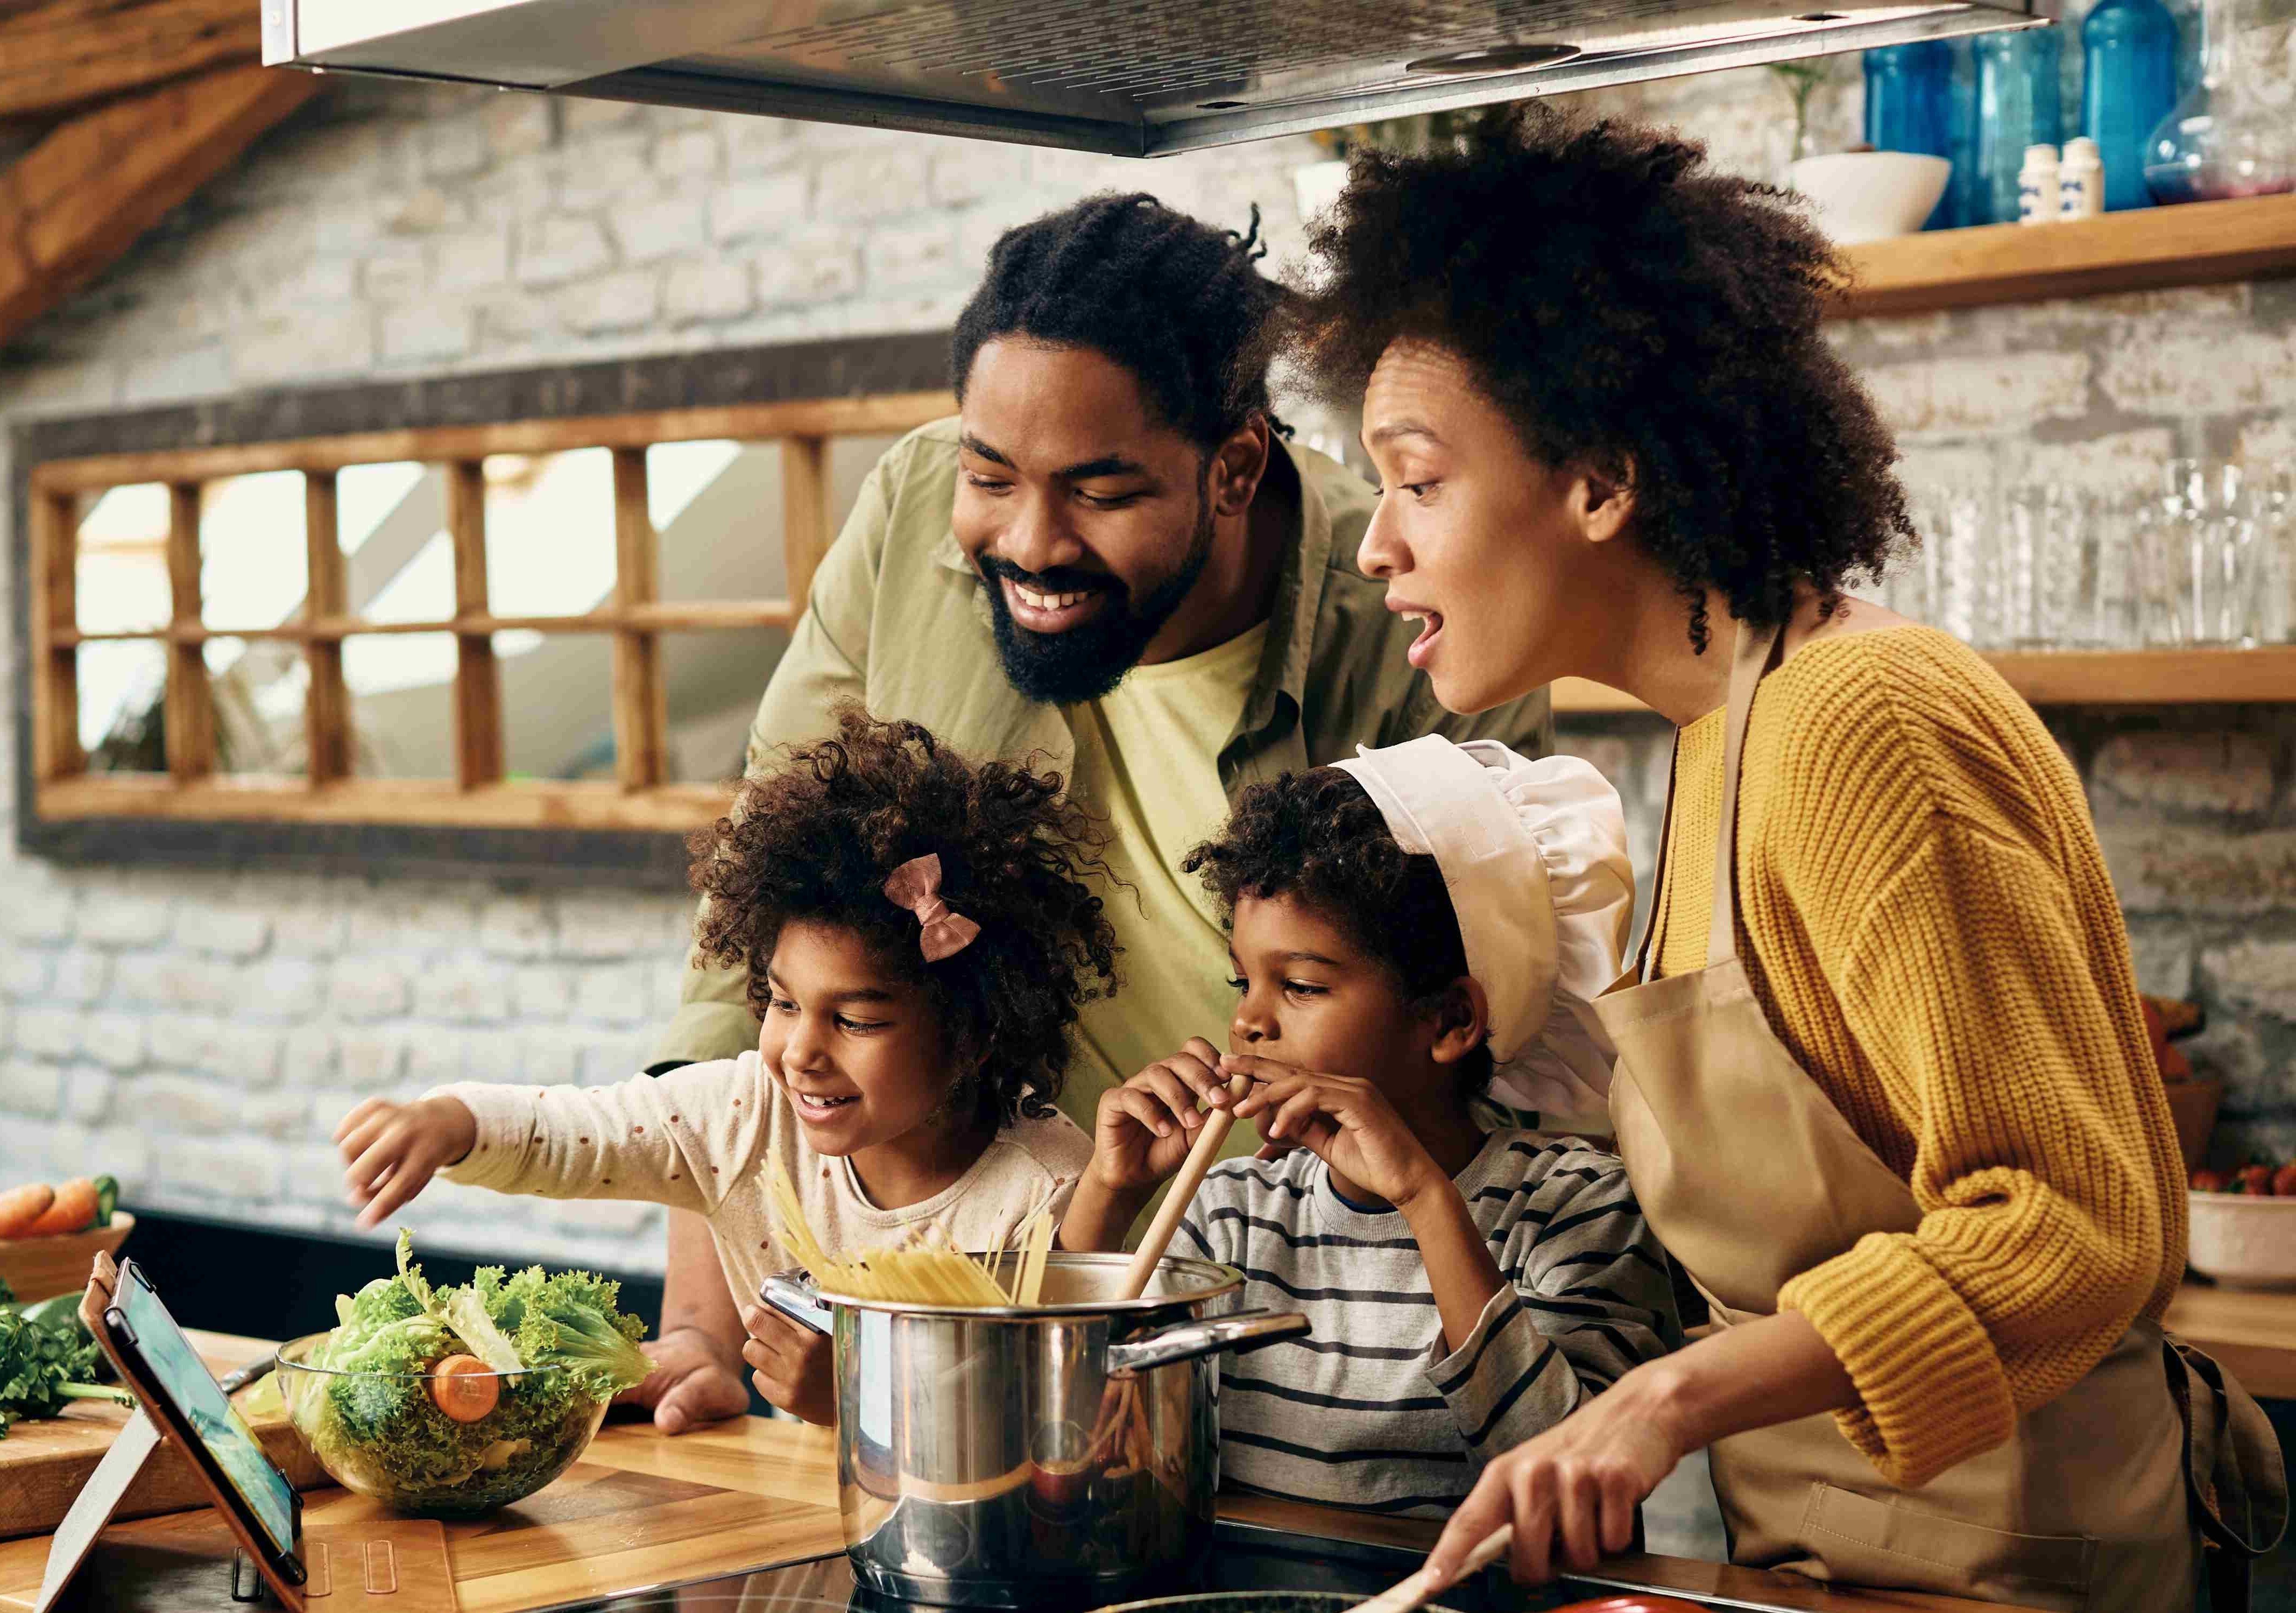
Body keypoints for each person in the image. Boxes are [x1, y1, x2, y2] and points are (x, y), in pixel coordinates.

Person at [1287, 105, 2285, 1610]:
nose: (1376, 545)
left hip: (2016, 1567)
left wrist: (1666, 1396)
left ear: (1599, 483)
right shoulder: (1718, 737)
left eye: (1417, 480)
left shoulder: (1859, 723)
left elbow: (2076, 1224)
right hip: (1833, 1562)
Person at [630, 193, 1552, 1432]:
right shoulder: (911, 506)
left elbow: (1487, 1027)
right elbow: (763, 915)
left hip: (1299, 1326)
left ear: (1234, 467)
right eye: (990, 476)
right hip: (984, 1296)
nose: (1029, 540)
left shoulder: (1402, 616)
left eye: (1101, 492)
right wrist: (699, 1324)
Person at [331, 712, 1110, 1424]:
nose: (801, 1052)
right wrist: (452, 1120)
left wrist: (857, 1397)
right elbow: (579, 1132)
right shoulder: (748, 1113)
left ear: (973, 1034)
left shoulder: (1046, 1191)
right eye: (783, 1002)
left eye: (855, 1020)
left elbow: (1048, 1422)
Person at [1062, 736, 1675, 1516]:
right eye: (1242, 980)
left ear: (1449, 1020)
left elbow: (1570, 1489)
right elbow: (1074, 1443)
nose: (1248, 1021)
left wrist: (1424, 1197)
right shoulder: (1230, 1213)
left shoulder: (1580, 1206)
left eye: (1302, 985)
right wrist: (1109, 1195)